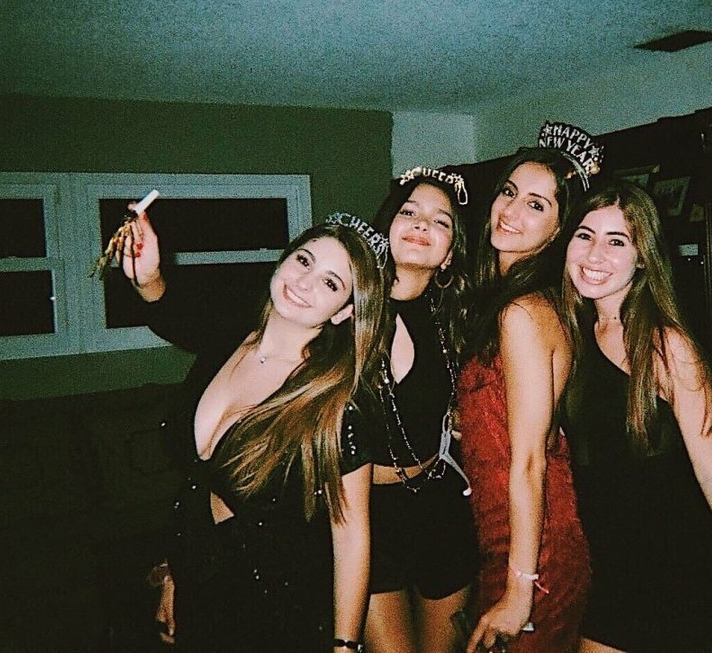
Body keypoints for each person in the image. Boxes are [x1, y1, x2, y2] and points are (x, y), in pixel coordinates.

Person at [115, 208, 390, 652]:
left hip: (274, 610)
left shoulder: (338, 402)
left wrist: (345, 647)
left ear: (344, 313)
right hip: (200, 586)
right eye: (304, 260)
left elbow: (351, 535)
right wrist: (174, 573)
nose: (304, 282)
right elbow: (171, 312)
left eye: (331, 283)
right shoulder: (230, 338)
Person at [560, 177, 712, 653]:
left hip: (676, 566)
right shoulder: (574, 332)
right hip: (608, 564)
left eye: (617, 241)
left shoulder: (666, 344)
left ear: (643, 257)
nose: (595, 254)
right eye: (585, 235)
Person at [458, 133, 598, 653]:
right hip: (511, 537)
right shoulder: (516, 301)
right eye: (509, 192)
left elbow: (531, 460)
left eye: (536, 204)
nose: (511, 211)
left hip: (533, 553)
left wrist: (519, 592)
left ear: (561, 228)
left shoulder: (523, 311)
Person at [362, 167, 479, 653]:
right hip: (363, 517)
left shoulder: (456, 318)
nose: (421, 224)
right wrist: (154, 285)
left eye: (440, 221)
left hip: (440, 506)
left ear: (449, 253)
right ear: (385, 228)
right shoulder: (340, 308)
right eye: (409, 211)